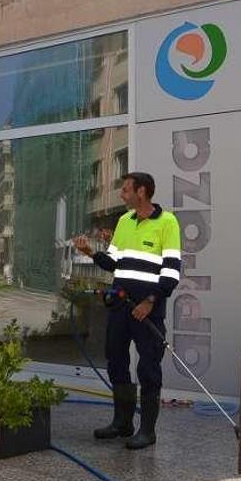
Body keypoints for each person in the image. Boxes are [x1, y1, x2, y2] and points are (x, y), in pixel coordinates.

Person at [73, 172, 181, 450]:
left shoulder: (167, 222)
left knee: (148, 367)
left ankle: (147, 431)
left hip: (148, 310)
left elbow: (171, 272)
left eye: (125, 190)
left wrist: (150, 302)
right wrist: (90, 252)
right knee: (116, 360)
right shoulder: (124, 221)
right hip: (120, 306)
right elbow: (113, 263)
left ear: (141, 192)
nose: (121, 194)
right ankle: (122, 423)